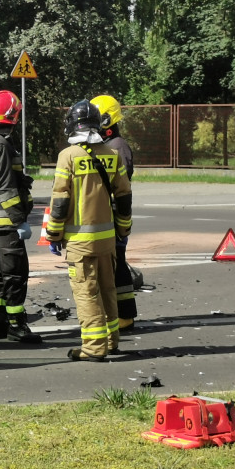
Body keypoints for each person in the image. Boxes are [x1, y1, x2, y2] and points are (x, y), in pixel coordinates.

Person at [47, 100, 132, 362]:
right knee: (108, 290)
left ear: (72, 125)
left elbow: (60, 201)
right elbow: (124, 196)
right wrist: (123, 229)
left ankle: (94, 348)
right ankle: (111, 341)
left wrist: (54, 234)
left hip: (80, 243)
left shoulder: (68, 156)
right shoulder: (112, 154)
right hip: (107, 240)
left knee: (86, 293)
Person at [0, 90, 41, 344]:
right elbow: (5, 187)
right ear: (12, 115)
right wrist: (19, 220)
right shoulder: (0, 144)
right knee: (15, 274)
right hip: (5, 221)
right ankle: (17, 326)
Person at [93, 94, 136, 330]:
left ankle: (126, 315)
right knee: (113, 266)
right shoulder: (110, 146)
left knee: (118, 266)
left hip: (114, 217)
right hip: (108, 217)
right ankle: (118, 313)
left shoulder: (117, 147)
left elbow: (120, 185)